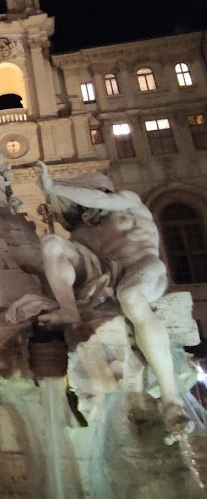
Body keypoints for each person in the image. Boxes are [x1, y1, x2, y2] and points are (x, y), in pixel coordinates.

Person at [36, 161, 192, 440]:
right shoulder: (82, 231)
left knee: (131, 297)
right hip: (108, 274)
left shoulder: (126, 201)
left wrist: (55, 186)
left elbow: (98, 199)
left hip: (144, 267)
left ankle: (171, 398)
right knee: (50, 243)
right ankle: (68, 310)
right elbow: (71, 254)